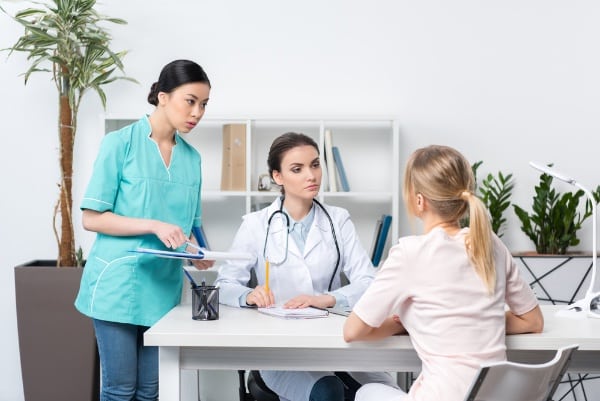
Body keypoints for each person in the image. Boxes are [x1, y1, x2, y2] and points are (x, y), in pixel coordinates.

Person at [343, 144, 544, 401]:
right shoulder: (490, 243)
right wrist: (476, 320)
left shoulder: (410, 252)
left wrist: (403, 324)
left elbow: (353, 331)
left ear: (419, 201)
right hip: (494, 395)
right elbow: (533, 321)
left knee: (366, 392)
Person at [215, 132, 398, 401]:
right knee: (327, 391)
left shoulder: (338, 220)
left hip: (335, 341)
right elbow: (224, 284)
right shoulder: (256, 224)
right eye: (297, 169)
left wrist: (327, 298)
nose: (311, 176)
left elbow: (369, 281)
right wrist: (248, 296)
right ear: (277, 177)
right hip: (279, 348)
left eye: (315, 165)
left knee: (388, 392)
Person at [74, 59, 214, 401]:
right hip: (117, 284)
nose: (197, 112)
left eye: (204, 105)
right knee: (120, 390)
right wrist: (153, 224)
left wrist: (199, 253)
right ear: (163, 97)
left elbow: (191, 228)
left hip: (163, 290)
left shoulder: (192, 160)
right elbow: (92, 217)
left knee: (152, 390)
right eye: (190, 101)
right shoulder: (119, 144)